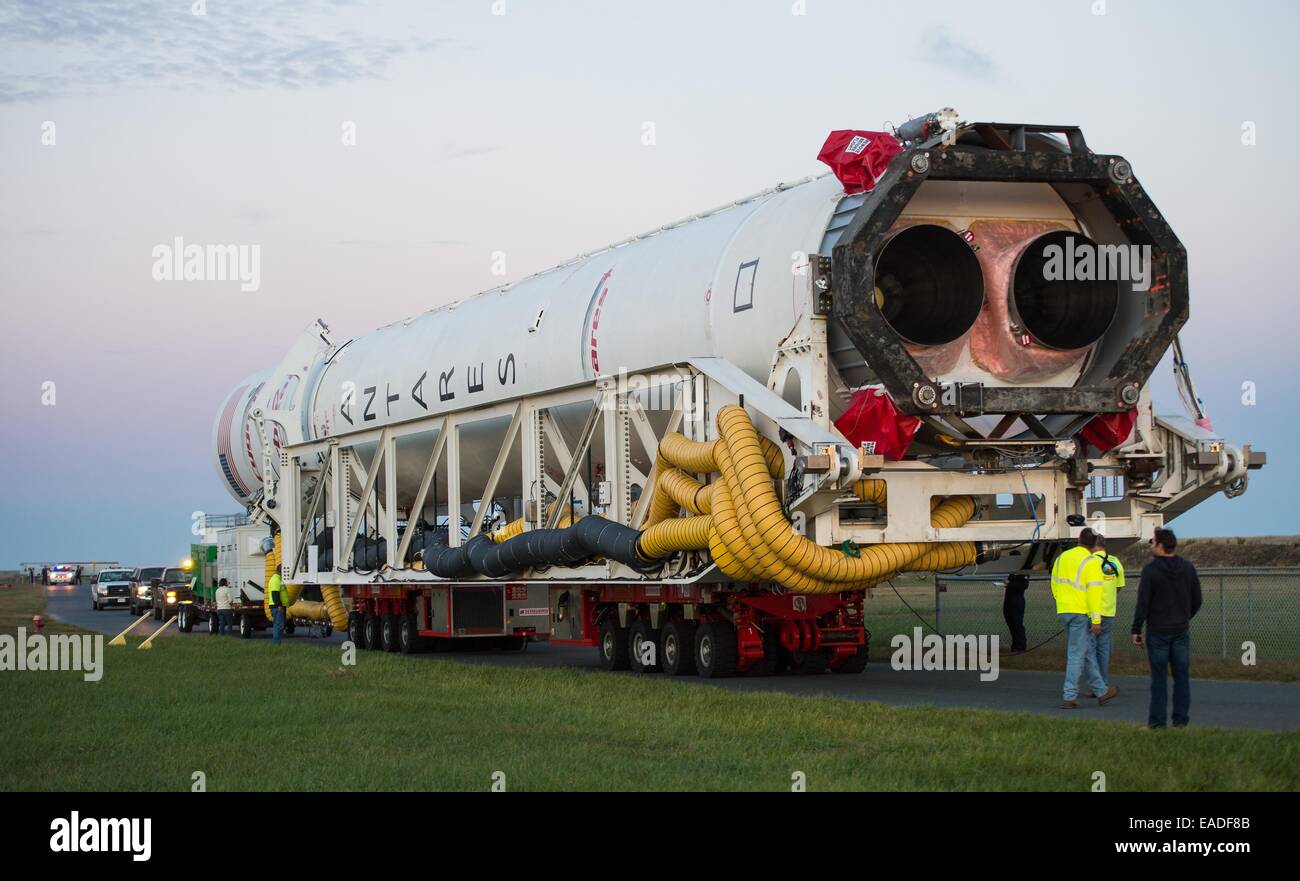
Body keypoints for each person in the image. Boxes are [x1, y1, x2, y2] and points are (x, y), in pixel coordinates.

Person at [1132, 527, 1201, 729]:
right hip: (1180, 630)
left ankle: (1157, 723)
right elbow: (1197, 599)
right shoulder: (1188, 568)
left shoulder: (1151, 571)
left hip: (1158, 633)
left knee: (1159, 679)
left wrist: (1136, 629)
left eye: (1152, 542)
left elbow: (1143, 602)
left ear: (1160, 545)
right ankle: (1180, 721)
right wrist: (1184, 616)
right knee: (1181, 677)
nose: (1151, 545)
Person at [1050, 528, 1118, 708]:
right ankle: (1069, 695)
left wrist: (1061, 602)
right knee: (1076, 655)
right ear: (1094, 544)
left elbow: (1054, 583)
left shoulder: (1062, 558)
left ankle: (1101, 691)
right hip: (1081, 613)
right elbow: (1094, 594)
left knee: (1086, 652)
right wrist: (1096, 620)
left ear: (1079, 539)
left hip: (1064, 610)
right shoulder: (1091, 562)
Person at [1083, 534, 1125, 695]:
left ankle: (1097, 686)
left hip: (1091, 612)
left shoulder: (1089, 562)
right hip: (1109, 611)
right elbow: (1119, 586)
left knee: (1090, 650)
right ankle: (1104, 684)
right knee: (1103, 649)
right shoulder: (1115, 561)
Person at [1002, 571, 1029, 653]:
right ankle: (1015, 645)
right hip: (1008, 602)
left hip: (1017, 603)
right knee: (1011, 625)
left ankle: (1021, 646)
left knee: (1017, 624)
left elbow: (1024, 586)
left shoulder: (1023, 574)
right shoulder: (1012, 573)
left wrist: (1009, 583)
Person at [268, 572, 286, 644]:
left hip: (278, 606)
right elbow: (274, 593)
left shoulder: (278, 579)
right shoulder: (276, 579)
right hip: (277, 606)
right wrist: (279, 605)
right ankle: (276, 643)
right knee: (278, 625)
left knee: (280, 624)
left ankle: (277, 642)